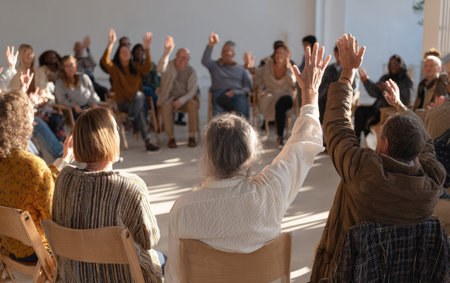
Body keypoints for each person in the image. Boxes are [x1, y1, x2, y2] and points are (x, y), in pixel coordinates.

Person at [165, 42, 330, 282]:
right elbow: (303, 145)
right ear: (250, 156)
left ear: (208, 156)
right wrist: (310, 95)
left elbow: (175, 277)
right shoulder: (271, 191)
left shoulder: (183, 208)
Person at [310, 34, 446, 282]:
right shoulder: (432, 180)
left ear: (383, 144)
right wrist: (401, 106)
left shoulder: (363, 171)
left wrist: (346, 72)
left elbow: (337, 127)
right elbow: (426, 142)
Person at [52, 107, 163, 282]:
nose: (119, 132)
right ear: (108, 137)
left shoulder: (63, 179)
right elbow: (150, 239)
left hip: (75, 276)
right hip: (120, 277)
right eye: (116, 128)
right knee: (162, 259)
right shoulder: (130, 186)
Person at [0, 88, 72, 263]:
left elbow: (39, 180)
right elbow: (54, 220)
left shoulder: (17, 163)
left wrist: (63, 160)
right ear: (22, 122)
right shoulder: (33, 166)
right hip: (37, 252)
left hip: (9, 247)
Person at [101, 29, 159, 152]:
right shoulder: (115, 69)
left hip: (136, 103)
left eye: (127, 51)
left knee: (139, 97)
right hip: (123, 104)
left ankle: (131, 120)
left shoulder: (136, 67)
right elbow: (104, 62)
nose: (126, 53)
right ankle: (147, 141)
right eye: (122, 52)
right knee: (140, 107)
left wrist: (147, 48)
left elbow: (148, 67)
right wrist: (110, 44)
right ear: (119, 54)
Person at [355, 54, 413, 140]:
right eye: (391, 64)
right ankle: (357, 140)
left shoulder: (406, 81)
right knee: (359, 111)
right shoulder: (386, 77)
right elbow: (374, 93)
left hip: (390, 111)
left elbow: (404, 101)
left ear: (401, 65)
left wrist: (388, 90)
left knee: (367, 121)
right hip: (378, 108)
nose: (393, 66)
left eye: (396, 64)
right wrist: (366, 81)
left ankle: (370, 142)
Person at [156, 36, 198, 148]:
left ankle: (192, 135)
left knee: (193, 104)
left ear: (188, 59)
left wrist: (181, 100)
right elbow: (160, 69)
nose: (183, 60)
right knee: (165, 106)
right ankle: (171, 138)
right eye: (181, 57)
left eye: (186, 58)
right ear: (176, 56)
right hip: (168, 98)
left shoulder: (191, 71)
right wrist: (166, 53)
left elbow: (192, 90)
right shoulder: (169, 65)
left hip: (183, 99)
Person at [202, 32, 252, 118]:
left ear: (233, 54)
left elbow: (248, 87)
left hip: (237, 93)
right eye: (224, 51)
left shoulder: (240, 69)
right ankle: (222, 129)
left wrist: (235, 92)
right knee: (219, 103)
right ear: (221, 53)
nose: (225, 53)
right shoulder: (215, 65)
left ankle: (242, 128)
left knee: (242, 101)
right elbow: (205, 60)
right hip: (219, 93)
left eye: (228, 50)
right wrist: (211, 44)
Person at [256, 42, 296, 145]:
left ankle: (280, 135)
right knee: (269, 101)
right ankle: (279, 135)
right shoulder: (268, 65)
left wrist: (288, 68)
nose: (279, 55)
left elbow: (293, 82)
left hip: (286, 95)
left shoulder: (290, 67)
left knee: (281, 103)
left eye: (282, 53)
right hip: (271, 95)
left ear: (287, 55)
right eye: (277, 52)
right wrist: (261, 89)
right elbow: (257, 75)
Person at [318, 44, 359, 124]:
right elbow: (322, 84)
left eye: (341, 53)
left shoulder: (352, 69)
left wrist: (347, 96)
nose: (338, 56)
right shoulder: (329, 68)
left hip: (342, 96)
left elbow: (354, 87)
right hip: (327, 96)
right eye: (337, 53)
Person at [55, 55, 101, 120]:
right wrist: (73, 106)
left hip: (89, 106)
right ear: (63, 67)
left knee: (102, 114)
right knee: (88, 118)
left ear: (75, 64)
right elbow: (61, 100)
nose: (70, 68)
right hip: (73, 110)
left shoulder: (83, 77)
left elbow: (92, 94)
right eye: (67, 66)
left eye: (71, 64)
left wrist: (94, 103)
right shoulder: (59, 82)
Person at [74, 36, 108, 101]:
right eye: (77, 47)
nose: (79, 49)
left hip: (91, 81)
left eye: (81, 47)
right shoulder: (72, 60)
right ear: (74, 48)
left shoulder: (87, 59)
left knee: (104, 91)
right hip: (80, 82)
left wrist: (88, 49)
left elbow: (94, 63)